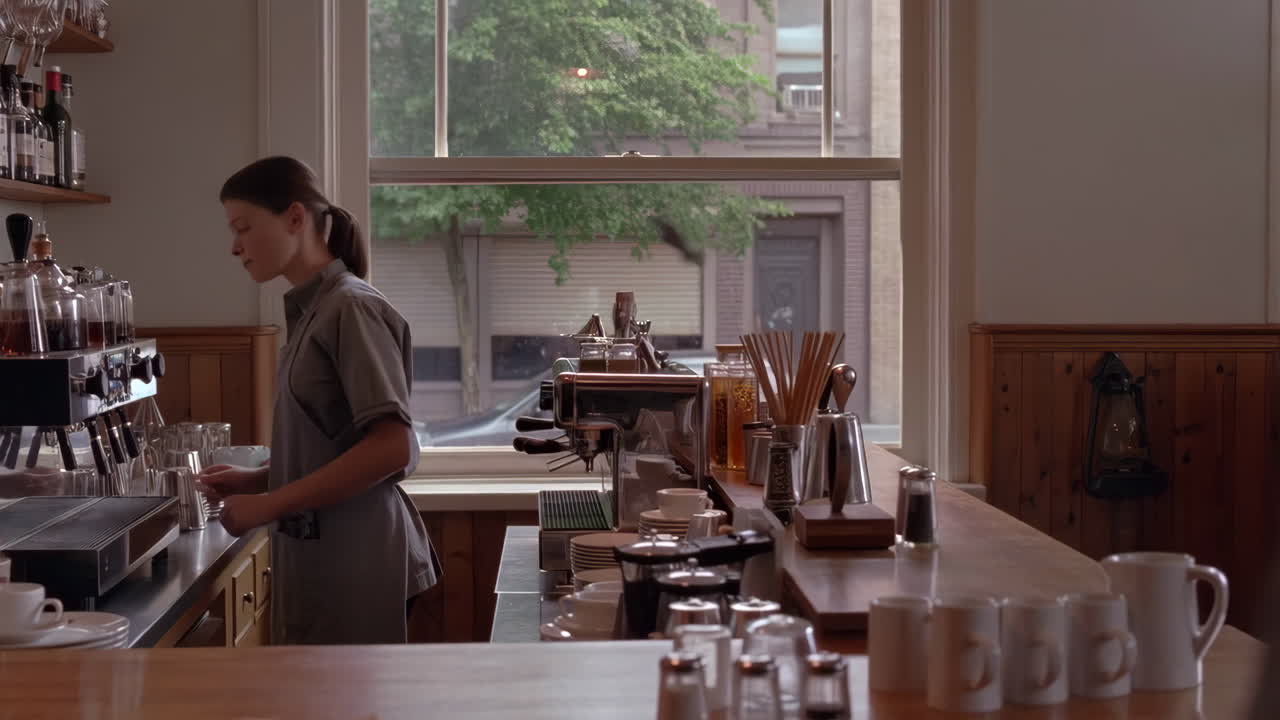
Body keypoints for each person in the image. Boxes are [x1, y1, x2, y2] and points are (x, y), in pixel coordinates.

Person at [198, 156, 439, 645]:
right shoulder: (314, 312)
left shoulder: (352, 307)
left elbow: (393, 449)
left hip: (357, 560)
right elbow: (336, 442)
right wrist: (263, 476)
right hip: (324, 560)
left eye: (244, 227)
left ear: (294, 218)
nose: (234, 247)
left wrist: (269, 502)